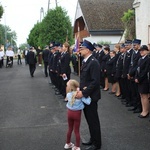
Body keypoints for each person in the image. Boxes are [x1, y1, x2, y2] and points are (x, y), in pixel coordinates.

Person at [76, 39, 101, 150]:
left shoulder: (93, 62)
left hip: (91, 97)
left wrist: (84, 93)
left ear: (88, 50)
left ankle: (97, 144)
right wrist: (79, 89)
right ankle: (93, 139)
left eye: (81, 49)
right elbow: (86, 79)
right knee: (90, 121)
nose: (79, 50)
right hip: (86, 96)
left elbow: (95, 82)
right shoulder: (86, 61)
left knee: (93, 121)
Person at [64, 79, 91, 150]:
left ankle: (68, 143)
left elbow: (70, 95)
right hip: (77, 114)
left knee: (70, 128)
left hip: (69, 113)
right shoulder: (79, 95)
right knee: (76, 130)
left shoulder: (68, 94)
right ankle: (77, 146)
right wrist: (87, 95)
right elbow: (88, 102)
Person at [135, 45, 150, 118]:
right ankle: (143, 110)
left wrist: (139, 78)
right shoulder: (140, 59)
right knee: (141, 95)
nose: (141, 52)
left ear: (147, 51)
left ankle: (146, 111)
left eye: (143, 50)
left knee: (145, 96)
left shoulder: (148, 59)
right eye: (140, 50)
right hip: (140, 80)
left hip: (145, 80)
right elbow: (138, 69)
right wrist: (136, 77)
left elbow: (145, 71)